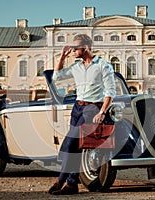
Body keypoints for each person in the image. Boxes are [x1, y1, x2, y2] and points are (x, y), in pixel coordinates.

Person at [48, 34, 116, 195]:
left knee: (71, 142)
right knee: (76, 146)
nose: (72, 51)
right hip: (77, 108)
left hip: (92, 109)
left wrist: (102, 112)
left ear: (85, 48)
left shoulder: (103, 66)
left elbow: (110, 92)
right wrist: (62, 57)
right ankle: (71, 184)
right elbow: (57, 77)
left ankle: (61, 180)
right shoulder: (76, 67)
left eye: (75, 48)